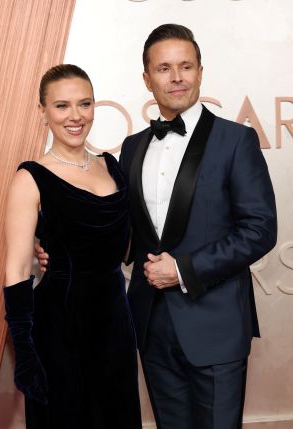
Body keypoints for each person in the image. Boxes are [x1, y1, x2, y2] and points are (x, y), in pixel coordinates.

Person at [37, 25, 277, 429]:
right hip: (150, 325)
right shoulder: (133, 147)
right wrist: (64, 254)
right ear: (147, 78)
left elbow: (260, 228)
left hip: (215, 324)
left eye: (186, 66)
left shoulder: (236, 141)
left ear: (201, 71)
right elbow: (124, 233)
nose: (177, 76)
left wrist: (183, 269)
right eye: (164, 68)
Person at [3, 64, 142, 429]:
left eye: (85, 104)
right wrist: (25, 349)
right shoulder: (30, 178)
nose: (75, 116)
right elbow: (16, 271)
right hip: (59, 325)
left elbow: (123, 246)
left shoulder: (112, 166)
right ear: (44, 112)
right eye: (62, 106)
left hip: (115, 321)